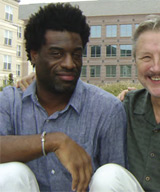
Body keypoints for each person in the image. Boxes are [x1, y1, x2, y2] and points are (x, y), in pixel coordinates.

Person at [14, 16, 160, 191]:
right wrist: (44, 79)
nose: (155, 67)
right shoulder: (124, 107)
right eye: (146, 57)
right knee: (108, 176)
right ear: (135, 62)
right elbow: (83, 102)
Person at [0, 3, 127, 192]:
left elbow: (115, 183)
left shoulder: (107, 109)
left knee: (109, 175)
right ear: (34, 55)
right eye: (57, 54)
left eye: (76, 54)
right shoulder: (10, 102)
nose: (69, 64)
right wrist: (53, 141)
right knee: (11, 173)